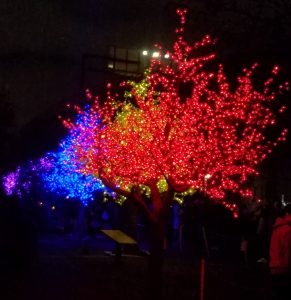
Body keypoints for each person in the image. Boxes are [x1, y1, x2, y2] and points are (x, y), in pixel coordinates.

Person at [269, 203, 291, 300]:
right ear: (287, 214)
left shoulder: (277, 227)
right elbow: (288, 251)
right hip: (284, 268)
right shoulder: (287, 230)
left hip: (274, 265)